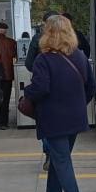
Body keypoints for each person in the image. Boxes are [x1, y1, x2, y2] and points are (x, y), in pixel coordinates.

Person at [24, 15, 96, 192]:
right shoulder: (81, 57)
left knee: (62, 161)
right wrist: (77, 104)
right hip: (75, 118)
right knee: (59, 158)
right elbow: (92, 87)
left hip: (53, 118)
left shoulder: (43, 60)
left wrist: (26, 94)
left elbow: (40, 89)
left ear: (48, 33)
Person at [26, 11, 58, 171]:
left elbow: (28, 63)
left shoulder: (37, 39)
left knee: (44, 122)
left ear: (45, 23)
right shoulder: (68, 38)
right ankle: (60, 153)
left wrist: (39, 71)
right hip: (63, 88)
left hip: (42, 88)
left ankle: (49, 153)